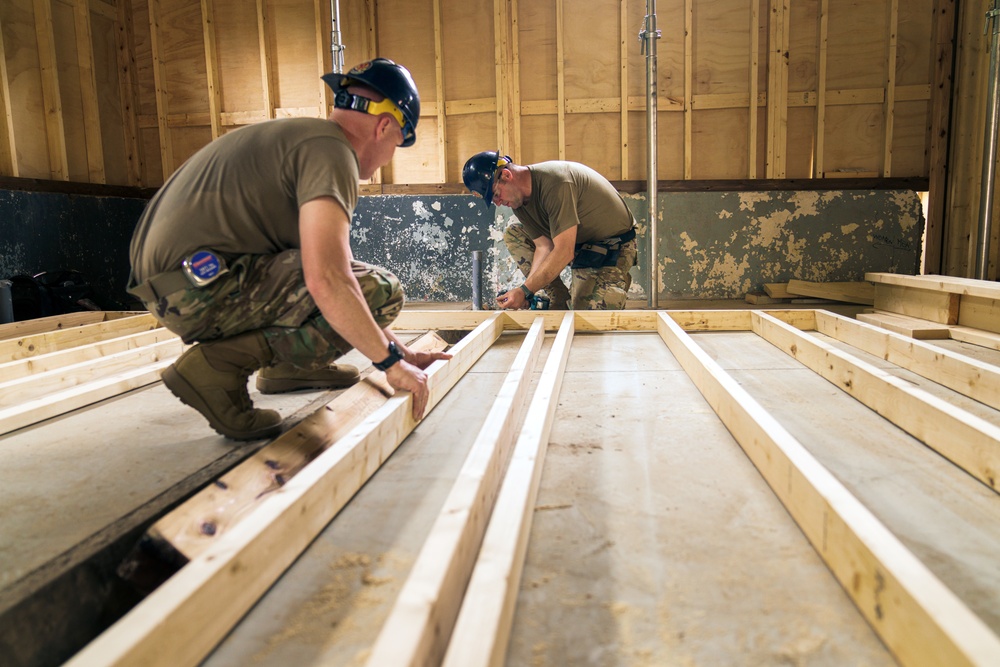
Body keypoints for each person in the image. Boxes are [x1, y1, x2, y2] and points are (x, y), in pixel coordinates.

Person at [128, 58, 451, 441]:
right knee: (381, 289)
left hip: (179, 283)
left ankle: (289, 369)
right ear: (384, 126)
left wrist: (403, 354)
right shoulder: (332, 153)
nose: (388, 159)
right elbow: (330, 280)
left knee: (360, 286)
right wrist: (391, 364)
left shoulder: (305, 140)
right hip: (193, 289)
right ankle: (216, 367)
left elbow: (339, 269)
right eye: (397, 143)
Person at [462, 151, 637, 310]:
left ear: (506, 175)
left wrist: (524, 290)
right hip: (579, 244)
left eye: (496, 195)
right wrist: (528, 292)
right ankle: (559, 299)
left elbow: (564, 251)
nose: (498, 203)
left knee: (586, 317)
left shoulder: (557, 183)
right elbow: (543, 247)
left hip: (612, 246)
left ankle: (611, 280)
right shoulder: (519, 202)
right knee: (515, 234)